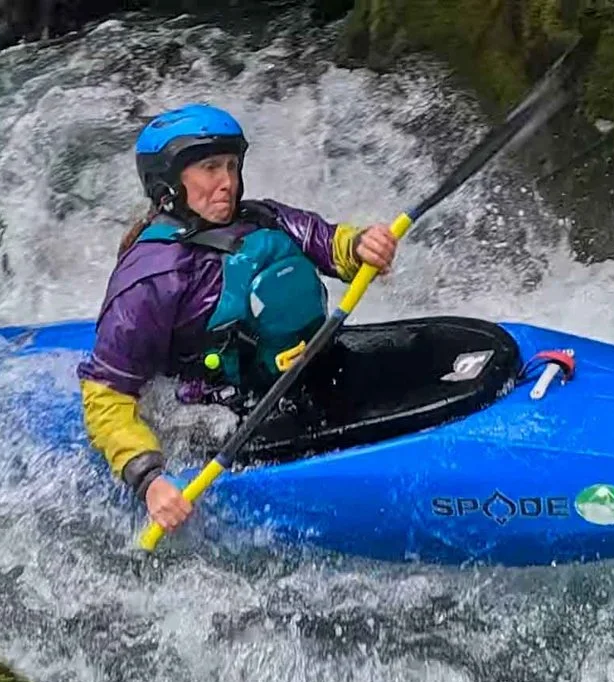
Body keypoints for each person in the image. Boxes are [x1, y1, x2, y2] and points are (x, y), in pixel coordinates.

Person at [78, 105, 400, 535]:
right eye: (210, 168)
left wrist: (362, 244)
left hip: (303, 378)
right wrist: (149, 480)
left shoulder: (263, 219)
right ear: (167, 185)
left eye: (231, 166)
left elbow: (328, 242)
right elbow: (107, 393)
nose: (227, 182)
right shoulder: (152, 277)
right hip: (226, 423)